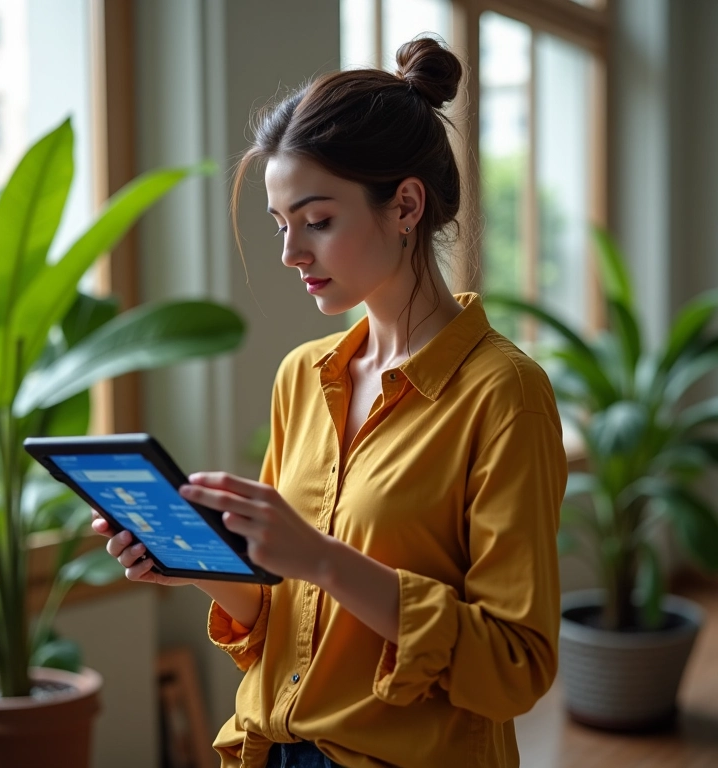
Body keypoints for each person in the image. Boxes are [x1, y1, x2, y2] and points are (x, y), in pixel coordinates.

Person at [93, 37, 568, 768]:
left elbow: (515, 666)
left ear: (406, 204)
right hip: (265, 750)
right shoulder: (304, 376)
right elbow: (287, 616)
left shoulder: (503, 394)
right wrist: (201, 565)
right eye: (281, 225)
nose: (290, 253)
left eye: (316, 221)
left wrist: (324, 559)